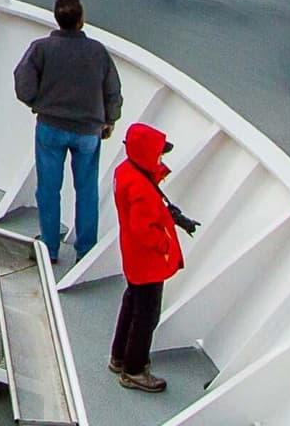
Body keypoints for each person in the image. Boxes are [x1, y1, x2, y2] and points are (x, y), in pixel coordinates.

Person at [13, 0, 123, 268]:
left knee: (48, 189)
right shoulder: (98, 52)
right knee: (86, 190)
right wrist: (110, 120)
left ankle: (49, 247)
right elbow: (112, 91)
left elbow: (23, 83)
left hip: (50, 127)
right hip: (88, 131)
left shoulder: (41, 48)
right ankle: (85, 252)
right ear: (81, 20)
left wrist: (38, 102)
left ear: (57, 19)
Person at [107, 121, 199, 393]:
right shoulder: (141, 187)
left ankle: (119, 355)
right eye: (158, 154)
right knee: (146, 316)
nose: (160, 158)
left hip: (133, 258)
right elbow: (144, 229)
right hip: (146, 263)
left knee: (131, 303)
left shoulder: (126, 171)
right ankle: (134, 370)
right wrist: (165, 244)